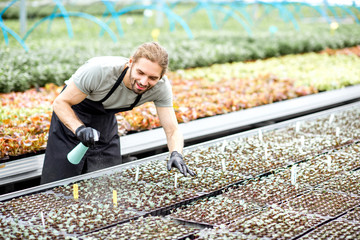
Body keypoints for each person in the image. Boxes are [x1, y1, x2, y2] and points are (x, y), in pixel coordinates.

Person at [41, 42, 195, 184]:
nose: (143, 82)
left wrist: (176, 153)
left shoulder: (161, 87)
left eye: (152, 78)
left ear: (160, 77)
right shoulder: (99, 71)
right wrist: (79, 129)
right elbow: (60, 103)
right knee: (60, 183)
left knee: (107, 182)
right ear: (130, 62)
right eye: (140, 72)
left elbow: (172, 129)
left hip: (104, 123)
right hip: (71, 118)